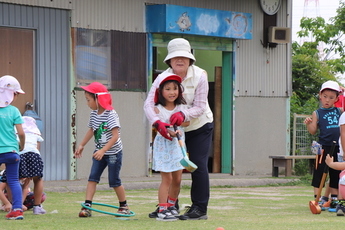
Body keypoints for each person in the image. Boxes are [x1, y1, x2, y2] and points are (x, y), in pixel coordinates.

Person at [144, 38, 213, 220]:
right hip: (173, 131)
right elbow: (148, 105)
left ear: (190, 59)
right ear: (169, 61)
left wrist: (183, 115)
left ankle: (199, 209)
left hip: (199, 125)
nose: (180, 60)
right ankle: (167, 207)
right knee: (172, 168)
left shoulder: (200, 75)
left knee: (197, 165)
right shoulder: (161, 77)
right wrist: (158, 123)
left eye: (184, 57)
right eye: (176, 58)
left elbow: (199, 106)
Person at [75, 82, 130, 217]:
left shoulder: (111, 114)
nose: (87, 103)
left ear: (98, 98)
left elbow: (115, 136)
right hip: (99, 152)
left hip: (113, 154)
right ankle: (87, 206)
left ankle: (124, 206)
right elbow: (91, 130)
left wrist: (103, 150)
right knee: (92, 178)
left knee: (114, 180)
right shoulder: (94, 114)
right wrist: (82, 144)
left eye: (89, 100)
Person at [149, 72, 189, 221]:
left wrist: (179, 120)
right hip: (164, 146)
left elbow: (187, 122)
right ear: (160, 91)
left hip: (178, 145)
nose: (172, 92)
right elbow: (157, 126)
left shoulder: (182, 106)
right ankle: (162, 209)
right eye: (167, 89)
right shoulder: (157, 108)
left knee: (178, 179)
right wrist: (169, 130)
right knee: (167, 180)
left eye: (175, 88)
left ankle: (172, 206)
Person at [304, 80, 342, 212]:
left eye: (331, 98)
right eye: (325, 96)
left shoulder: (339, 111)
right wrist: (309, 124)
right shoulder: (317, 112)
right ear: (320, 95)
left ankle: (335, 199)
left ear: (336, 99)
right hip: (323, 147)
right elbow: (313, 130)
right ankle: (318, 199)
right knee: (319, 172)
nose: (327, 100)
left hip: (337, 147)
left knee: (335, 173)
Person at [0, 75, 25, 220]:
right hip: (12, 151)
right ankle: (17, 210)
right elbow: (21, 133)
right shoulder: (14, 111)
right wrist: (21, 145)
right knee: (13, 180)